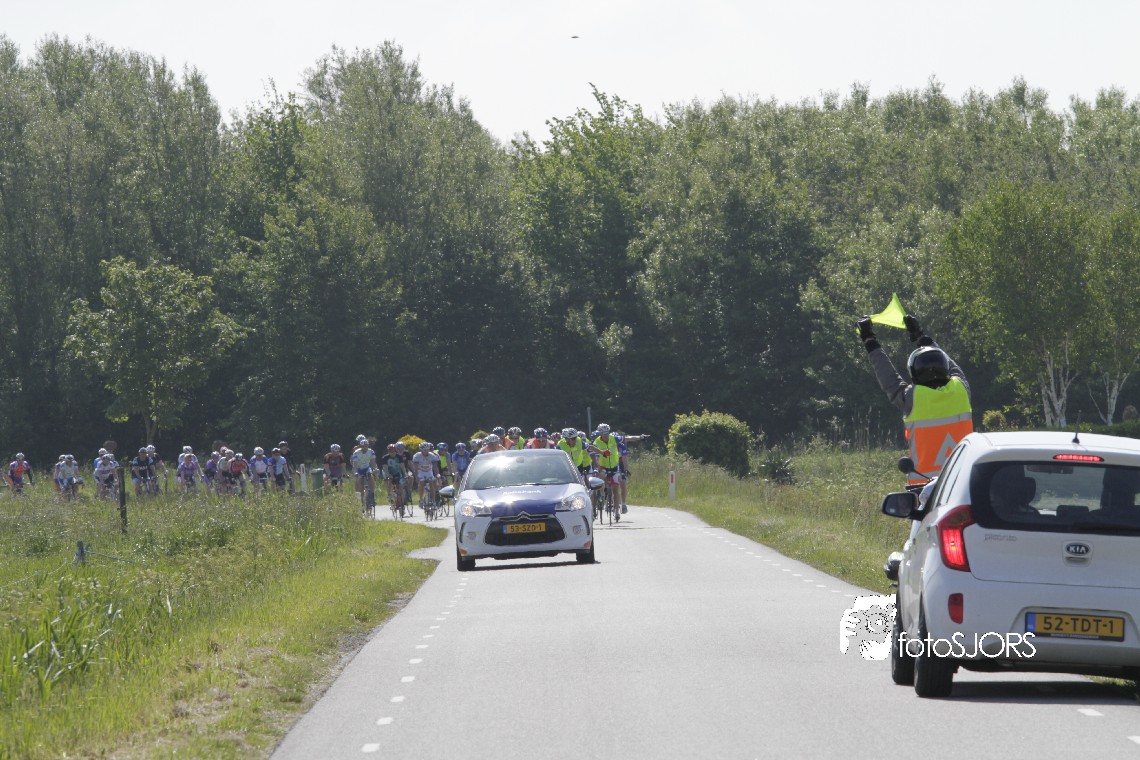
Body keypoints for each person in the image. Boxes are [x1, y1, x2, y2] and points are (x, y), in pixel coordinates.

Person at [858, 313, 973, 486]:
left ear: (914, 373)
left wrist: (869, 340)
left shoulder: (913, 397)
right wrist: (921, 336)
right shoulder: (961, 390)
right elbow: (951, 365)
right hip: (962, 482)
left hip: (923, 486)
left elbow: (888, 378)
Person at [350, 438, 378, 511]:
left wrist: (374, 469)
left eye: (366, 446)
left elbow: (373, 462)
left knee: (371, 476)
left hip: (366, 468)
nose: (365, 448)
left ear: (368, 446)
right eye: (363, 446)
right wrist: (355, 472)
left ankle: (372, 494)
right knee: (360, 486)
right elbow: (355, 465)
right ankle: (362, 502)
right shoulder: (356, 452)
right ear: (360, 446)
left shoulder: (371, 451)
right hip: (359, 469)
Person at [412, 442, 441, 510]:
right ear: (421, 450)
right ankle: (421, 499)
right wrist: (416, 476)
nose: (426, 451)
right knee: (421, 483)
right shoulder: (417, 456)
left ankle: (433, 501)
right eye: (424, 450)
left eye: (427, 450)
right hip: (420, 471)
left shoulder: (432, 456)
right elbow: (415, 468)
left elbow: (435, 467)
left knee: (431, 483)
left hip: (429, 471)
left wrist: (437, 474)